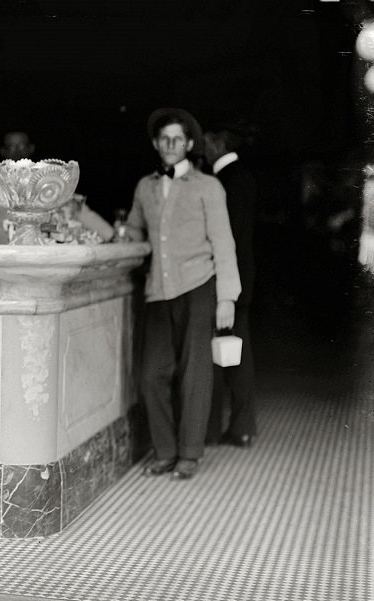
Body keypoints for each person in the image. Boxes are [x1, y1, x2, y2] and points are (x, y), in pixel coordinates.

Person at [123, 108, 241, 480]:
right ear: (156, 144)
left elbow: (224, 243)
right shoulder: (145, 186)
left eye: (178, 139)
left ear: (189, 144)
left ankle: (189, 453)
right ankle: (165, 451)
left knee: (195, 373)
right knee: (150, 376)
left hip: (199, 285)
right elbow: (132, 232)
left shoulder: (209, 186)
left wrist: (226, 298)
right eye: (164, 139)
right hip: (159, 289)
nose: (171, 145)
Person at [203, 122, 258, 448]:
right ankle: (240, 426)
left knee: (231, 354)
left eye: (206, 142)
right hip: (240, 277)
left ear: (218, 143)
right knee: (236, 352)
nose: (202, 149)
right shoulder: (240, 177)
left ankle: (236, 426)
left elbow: (228, 239)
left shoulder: (225, 181)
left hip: (229, 280)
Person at [0, 131, 115, 244]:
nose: (17, 151)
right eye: (11, 147)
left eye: (22, 146)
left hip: (37, 254)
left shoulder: (46, 179)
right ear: (3, 152)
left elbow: (78, 210)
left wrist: (111, 235)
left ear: (31, 148)